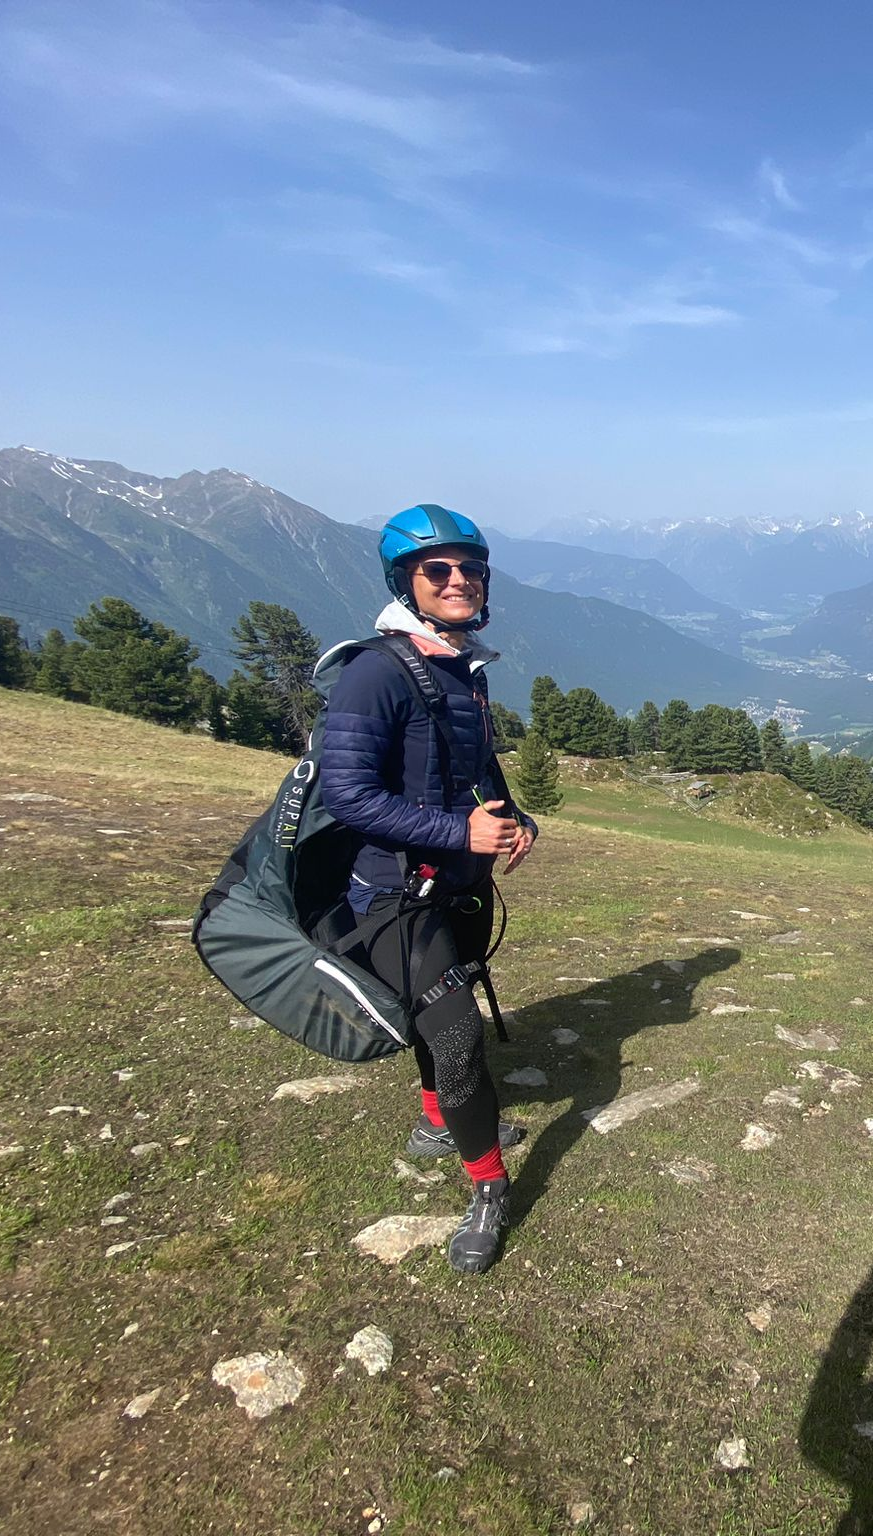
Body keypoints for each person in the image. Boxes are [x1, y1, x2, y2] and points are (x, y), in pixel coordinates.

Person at [320, 504, 536, 1274]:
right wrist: (459, 835)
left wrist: (514, 817)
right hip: (395, 893)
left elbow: (474, 765)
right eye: (437, 570)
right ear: (405, 582)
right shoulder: (375, 671)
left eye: (470, 569)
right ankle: (488, 1189)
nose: (458, 581)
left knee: (443, 1004)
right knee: (455, 1033)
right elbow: (346, 794)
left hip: (461, 884)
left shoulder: (458, 664)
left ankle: (434, 1120)